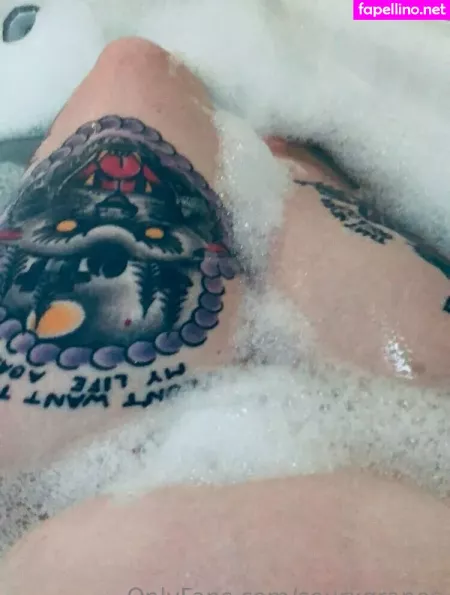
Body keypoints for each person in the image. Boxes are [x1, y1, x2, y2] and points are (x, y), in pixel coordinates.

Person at [0, 37, 449, 594]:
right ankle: (293, 165)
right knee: (146, 74)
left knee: (134, 69)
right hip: (420, 449)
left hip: (49, 466)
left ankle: (287, 164)